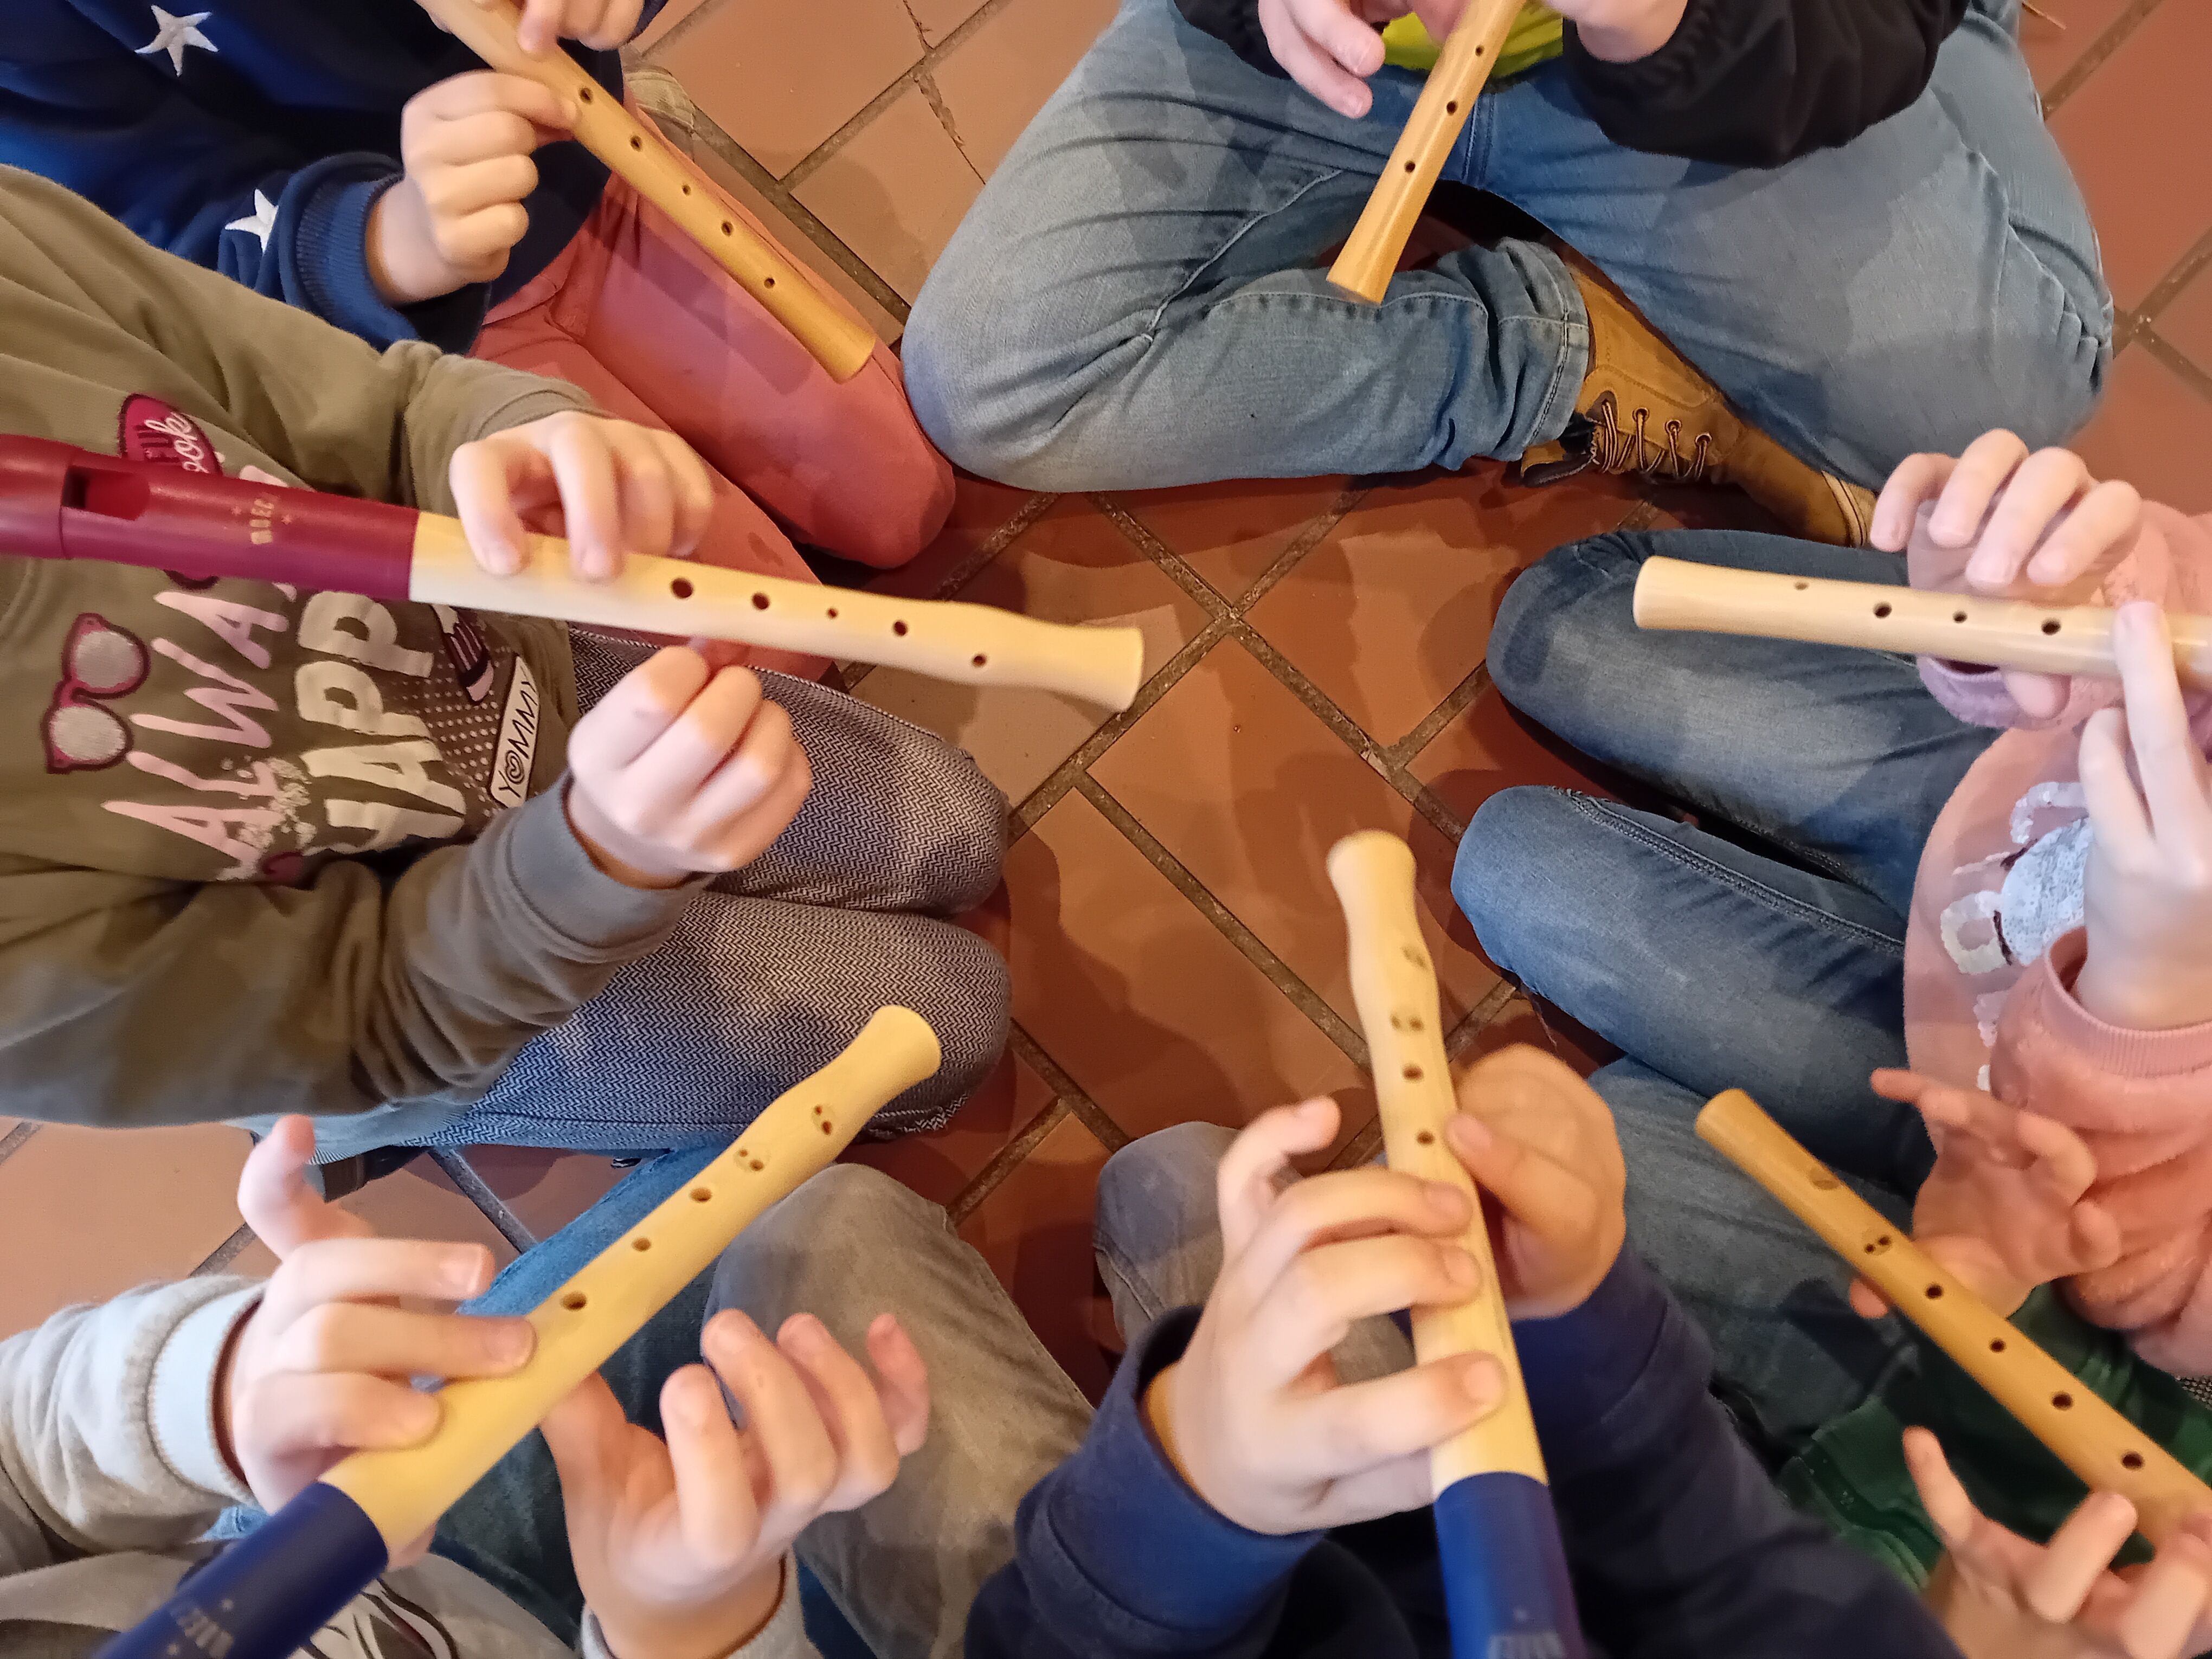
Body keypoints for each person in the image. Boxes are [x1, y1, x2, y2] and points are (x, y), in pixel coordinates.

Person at [0, 163, 1009, 1161]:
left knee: (955, 823)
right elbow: (377, 1015)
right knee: (949, 1022)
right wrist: (600, 865)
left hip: (508, 676)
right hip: (432, 982)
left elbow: (381, 407)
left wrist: (521, 435)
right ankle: (538, 1110)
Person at [1450, 434, 2212, 1581]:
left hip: (2022, 1128)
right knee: (1561, 627)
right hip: (2030, 805)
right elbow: (2176, 608)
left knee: (1521, 879)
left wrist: (2142, 1002)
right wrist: (2066, 600)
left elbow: (2157, 1294)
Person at [965, 1050, 2212, 1658]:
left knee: (865, 1236)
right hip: (1424, 1540)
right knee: (1186, 1186)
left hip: (1127, 1623)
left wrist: (1194, 1493)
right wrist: (1573, 1316)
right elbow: (1711, 1580)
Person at [902, 0, 2107, 549]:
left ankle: (1967, 33)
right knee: (996, 373)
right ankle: (1563, 349)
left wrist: (1674, 29)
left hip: (1725, 40)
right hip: (1328, 57)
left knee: (2001, 408)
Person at [6, 0, 953, 660]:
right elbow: (178, 253)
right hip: (427, 349)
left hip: (591, 177)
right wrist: (394, 240)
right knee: (775, 662)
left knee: (907, 505)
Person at [0, 1110, 1070, 1659]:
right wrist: (692, 1627)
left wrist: (216, 1393)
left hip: (379, 1548)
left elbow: (18, 1455)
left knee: (819, 1216)